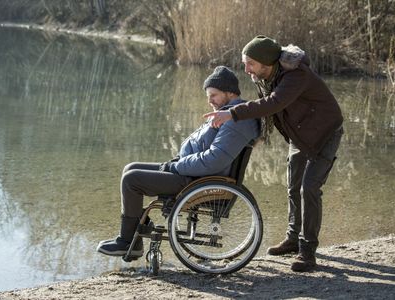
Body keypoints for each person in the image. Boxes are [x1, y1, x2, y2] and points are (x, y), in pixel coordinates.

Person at [204, 36, 343, 272]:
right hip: (300, 135)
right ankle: (292, 239)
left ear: (266, 63)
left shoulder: (296, 75)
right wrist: (255, 137)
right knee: (292, 186)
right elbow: (267, 111)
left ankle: (307, 253)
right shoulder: (265, 76)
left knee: (308, 188)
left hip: (324, 134)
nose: (246, 69)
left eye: (250, 63)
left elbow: (273, 103)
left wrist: (231, 114)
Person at [97, 66, 260, 258]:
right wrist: (177, 163)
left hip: (199, 181)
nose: (209, 101)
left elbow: (214, 160)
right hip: (193, 173)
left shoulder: (236, 120)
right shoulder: (227, 113)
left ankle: (128, 241)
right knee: (130, 168)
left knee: (132, 180)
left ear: (230, 92)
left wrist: (174, 166)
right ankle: (138, 228)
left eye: (214, 95)